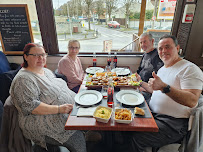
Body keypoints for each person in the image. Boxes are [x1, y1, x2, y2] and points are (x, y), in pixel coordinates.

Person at [124, 35, 203, 152]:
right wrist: (139, 82)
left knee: (137, 137)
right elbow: (155, 91)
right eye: (160, 48)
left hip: (172, 124)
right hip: (153, 114)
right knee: (126, 122)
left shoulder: (189, 69)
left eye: (168, 47)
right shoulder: (163, 69)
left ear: (177, 48)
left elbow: (192, 101)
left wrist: (164, 87)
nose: (163, 51)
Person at [9, 43, 86, 152]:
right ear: (26, 57)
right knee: (76, 136)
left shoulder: (45, 71)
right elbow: (32, 107)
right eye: (35, 55)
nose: (41, 58)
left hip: (64, 110)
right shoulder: (23, 80)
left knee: (89, 117)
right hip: (41, 122)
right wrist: (60, 109)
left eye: (43, 55)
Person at [136, 32, 164, 100]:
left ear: (152, 41)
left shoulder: (157, 56)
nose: (142, 45)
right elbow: (139, 70)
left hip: (147, 91)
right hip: (139, 85)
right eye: (141, 43)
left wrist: (143, 87)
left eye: (145, 42)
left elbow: (159, 80)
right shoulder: (145, 54)